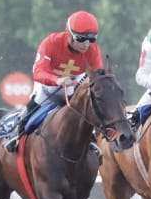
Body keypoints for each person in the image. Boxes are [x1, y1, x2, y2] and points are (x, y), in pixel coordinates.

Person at [6, 10, 103, 152]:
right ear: (69, 34)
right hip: (49, 81)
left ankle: (92, 139)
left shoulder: (93, 49)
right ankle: (17, 133)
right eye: (81, 39)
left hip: (75, 81)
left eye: (91, 39)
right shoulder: (51, 42)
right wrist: (57, 80)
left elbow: (98, 74)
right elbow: (38, 72)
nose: (86, 45)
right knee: (37, 100)